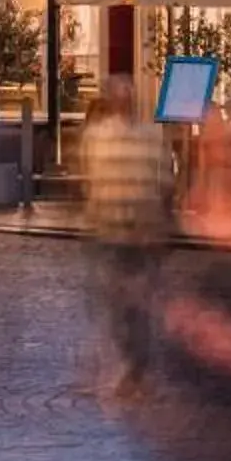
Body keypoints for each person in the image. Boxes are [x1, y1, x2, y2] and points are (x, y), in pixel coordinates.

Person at [82, 75, 175, 396]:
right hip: (114, 232)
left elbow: (164, 184)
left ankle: (136, 368)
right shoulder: (98, 137)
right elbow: (90, 181)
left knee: (132, 304)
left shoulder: (150, 136)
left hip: (136, 233)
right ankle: (134, 366)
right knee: (120, 304)